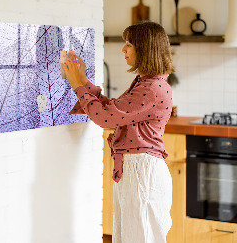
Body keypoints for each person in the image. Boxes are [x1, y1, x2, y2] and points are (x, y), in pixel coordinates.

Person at [62, 21, 174, 243]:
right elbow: (113, 110)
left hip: (142, 172)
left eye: (129, 44)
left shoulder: (151, 88)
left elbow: (105, 118)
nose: (123, 49)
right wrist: (83, 80)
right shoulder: (147, 83)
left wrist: (77, 85)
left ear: (145, 49)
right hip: (137, 170)